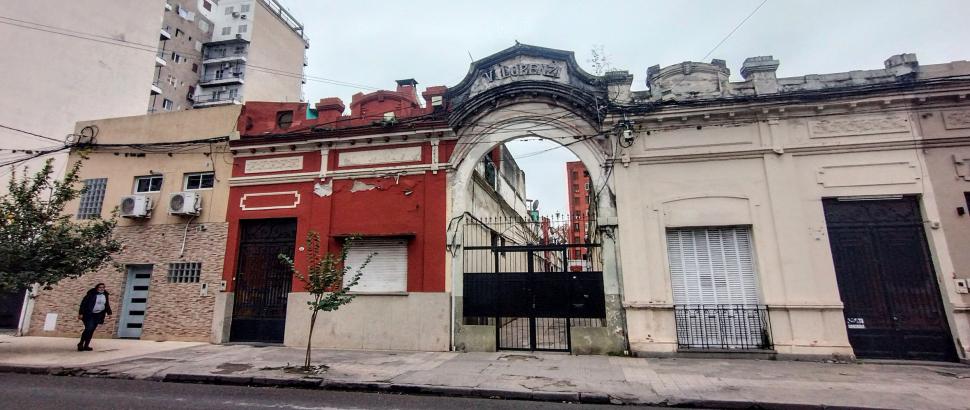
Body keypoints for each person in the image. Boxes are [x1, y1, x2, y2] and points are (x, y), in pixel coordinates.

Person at [77, 283, 111, 351]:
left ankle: (86, 345)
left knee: (91, 330)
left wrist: (109, 313)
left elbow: (106, 304)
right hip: (89, 314)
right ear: (97, 288)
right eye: (100, 287)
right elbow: (83, 304)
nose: (102, 289)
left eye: (103, 287)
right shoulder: (91, 294)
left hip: (98, 314)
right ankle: (81, 343)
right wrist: (80, 313)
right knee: (89, 328)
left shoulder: (105, 295)